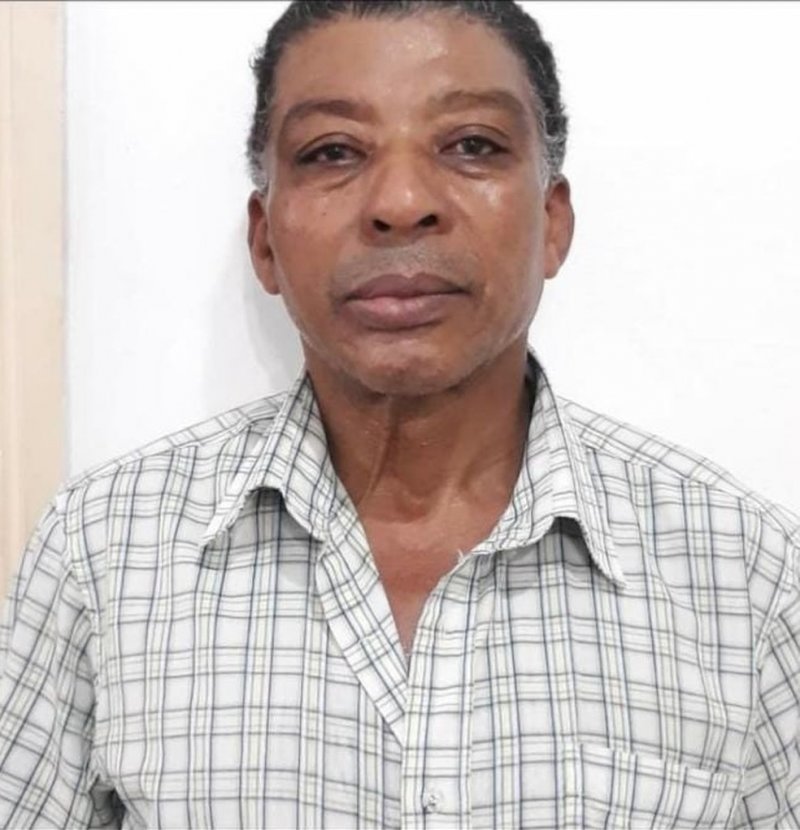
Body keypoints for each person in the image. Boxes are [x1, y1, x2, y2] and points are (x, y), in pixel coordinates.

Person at [1, 0, 798, 827]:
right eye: (333, 151)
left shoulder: (745, 575)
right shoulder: (103, 553)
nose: (403, 201)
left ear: (552, 222)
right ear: (265, 240)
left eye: (471, 145)